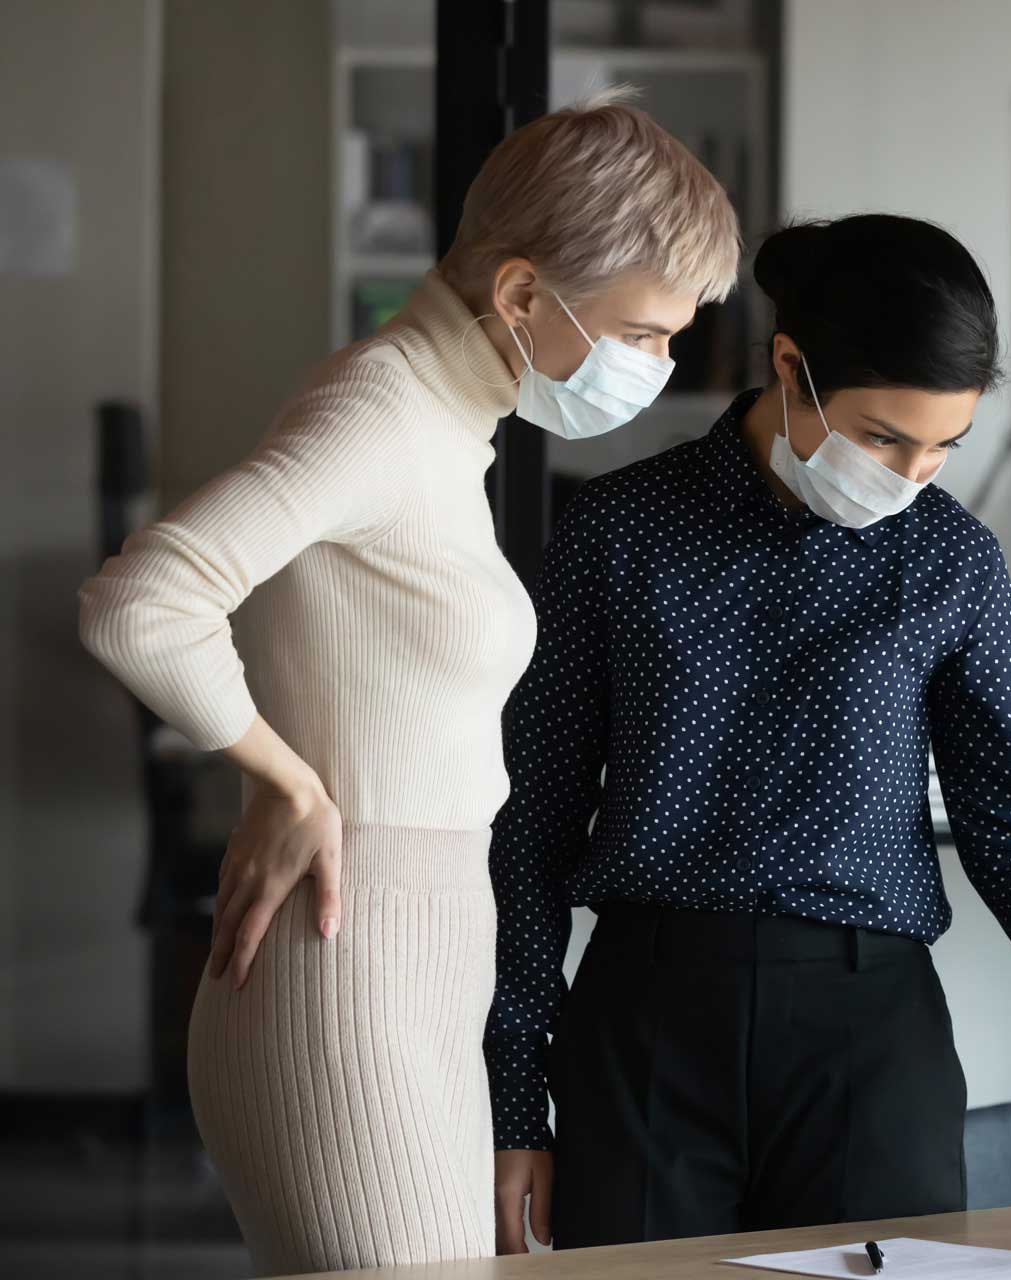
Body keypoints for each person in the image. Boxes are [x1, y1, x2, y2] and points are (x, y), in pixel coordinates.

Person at [486, 213, 1011, 1252]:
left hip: (867, 1041)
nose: (909, 475)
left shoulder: (952, 561)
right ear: (789, 366)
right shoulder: (617, 529)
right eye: (880, 437)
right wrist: (515, 1103)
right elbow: (530, 823)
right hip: (646, 1026)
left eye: (942, 447)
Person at [78, 91, 740, 1276]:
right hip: (346, 957)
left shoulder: (444, 420)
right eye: (643, 333)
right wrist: (286, 783)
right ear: (522, 293)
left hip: (416, 947)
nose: (658, 365)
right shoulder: (380, 406)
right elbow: (142, 601)